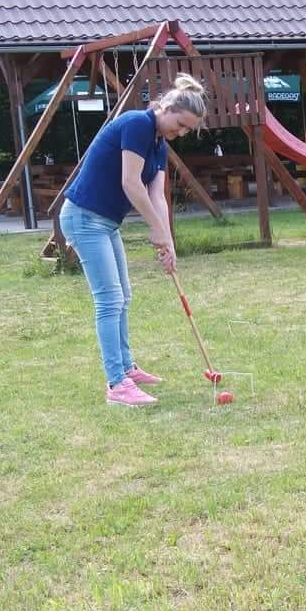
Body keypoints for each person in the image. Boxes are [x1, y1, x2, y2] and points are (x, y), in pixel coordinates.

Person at [59, 74, 206, 406]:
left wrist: (167, 239)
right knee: (109, 300)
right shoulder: (137, 124)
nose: (180, 132)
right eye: (179, 124)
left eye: (186, 130)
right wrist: (154, 229)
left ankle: (127, 368)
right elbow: (130, 183)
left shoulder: (159, 145)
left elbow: (157, 195)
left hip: (106, 223)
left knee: (123, 295)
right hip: (84, 218)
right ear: (166, 107)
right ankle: (116, 385)